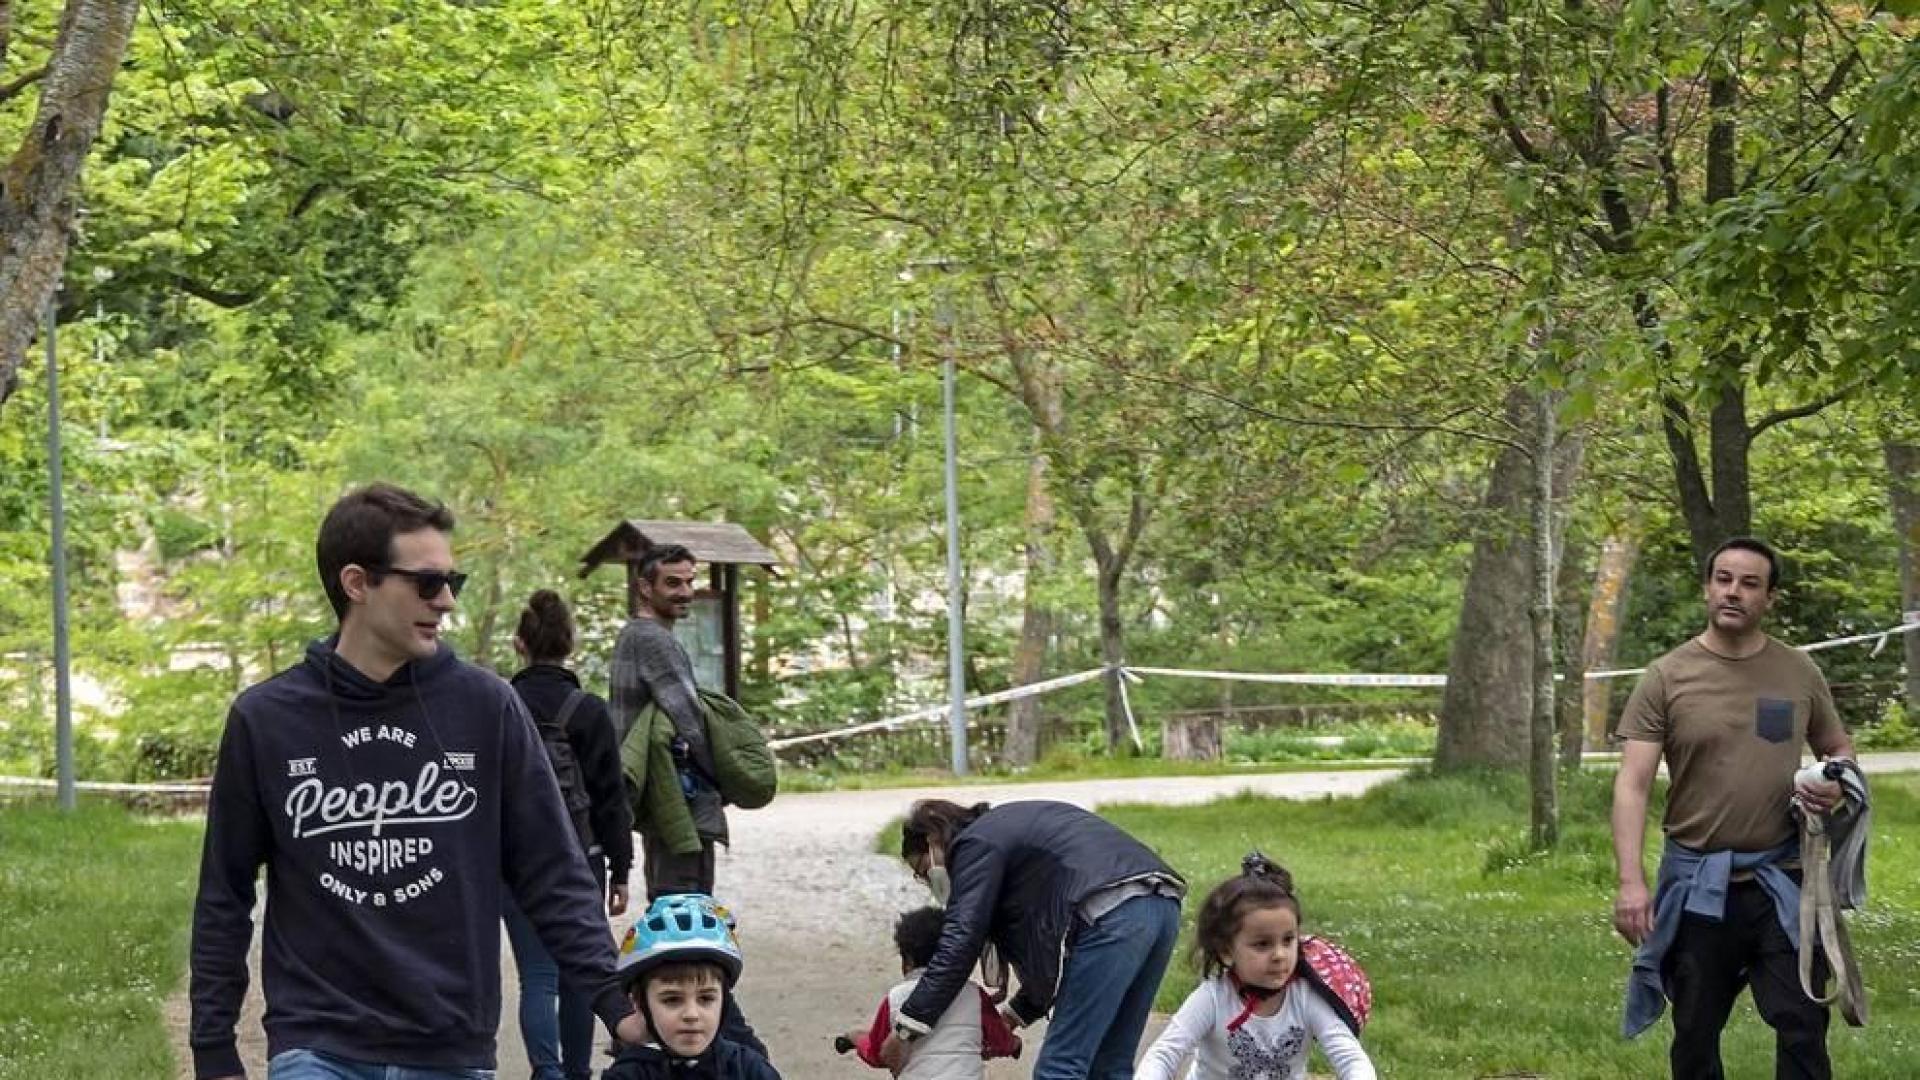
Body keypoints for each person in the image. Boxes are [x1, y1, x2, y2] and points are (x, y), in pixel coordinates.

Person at [189, 483, 646, 1080]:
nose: (448, 601)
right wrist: (213, 1048)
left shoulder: (488, 707)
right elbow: (225, 894)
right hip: (317, 1042)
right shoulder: (267, 719)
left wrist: (616, 1004)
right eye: (428, 583)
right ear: (358, 583)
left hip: (450, 1044)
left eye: (455, 582)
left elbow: (552, 872)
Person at [1612, 536, 1856, 1080]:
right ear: (1707, 587)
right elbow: (1632, 785)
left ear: (1770, 597)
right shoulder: (1667, 676)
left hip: (1785, 879)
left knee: (1802, 1021)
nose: (1734, 592)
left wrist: (1838, 781)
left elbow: (1836, 749)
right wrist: (1631, 882)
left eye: (1750, 583)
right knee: (1695, 1030)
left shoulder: (1798, 672)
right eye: (1724, 579)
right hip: (1700, 882)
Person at [880, 799, 1186, 1080]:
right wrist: (1013, 1016)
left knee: (1059, 1067)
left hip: (1110, 912)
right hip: (1161, 904)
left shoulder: (974, 844)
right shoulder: (1004, 836)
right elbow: (1049, 956)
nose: (929, 881)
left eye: (923, 871)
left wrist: (906, 1029)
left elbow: (960, 942)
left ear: (933, 840)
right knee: (1110, 1065)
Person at [505, 589, 636, 1080]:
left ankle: (547, 1072)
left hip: (513, 864)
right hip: (581, 857)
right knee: (581, 975)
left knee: (536, 977)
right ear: (570, 645)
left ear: (520, 643)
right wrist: (621, 869)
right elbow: (610, 798)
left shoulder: (501, 703)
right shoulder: (589, 710)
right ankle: (578, 1072)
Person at [1135, 854, 1375, 1080]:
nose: (1279, 955)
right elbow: (1164, 1054)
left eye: (1288, 940)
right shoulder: (1212, 999)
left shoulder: (1305, 997)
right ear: (1226, 951)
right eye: (1262, 944)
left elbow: (1350, 1057)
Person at [610, 543, 725, 898]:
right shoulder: (654, 641)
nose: (686, 593)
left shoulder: (633, 635)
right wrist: (728, 772)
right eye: (673, 583)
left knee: (669, 897)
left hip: (659, 796)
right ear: (645, 587)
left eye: (690, 582)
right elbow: (689, 720)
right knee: (685, 905)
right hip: (676, 795)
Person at [604, 893, 780, 1080]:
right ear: (640, 1003)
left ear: (724, 1000)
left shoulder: (751, 1070)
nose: (691, 1014)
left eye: (706, 998)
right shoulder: (627, 1076)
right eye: (672, 1000)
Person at [844, 907, 1020, 1080]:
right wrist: (1013, 1043)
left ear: (908, 961)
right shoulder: (974, 994)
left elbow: (877, 1053)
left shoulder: (895, 998)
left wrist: (855, 1038)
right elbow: (999, 1040)